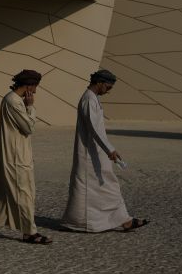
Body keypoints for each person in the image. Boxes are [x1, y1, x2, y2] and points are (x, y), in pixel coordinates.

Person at [61, 69, 150, 233]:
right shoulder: (88, 99)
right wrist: (110, 149)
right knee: (96, 186)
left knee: (106, 185)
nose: (108, 91)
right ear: (100, 83)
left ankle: (123, 219)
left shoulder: (93, 98)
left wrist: (108, 149)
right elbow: (94, 128)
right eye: (108, 87)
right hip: (90, 153)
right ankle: (83, 222)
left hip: (97, 151)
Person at [0, 69, 50, 244]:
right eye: (35, 87)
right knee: (23, 194)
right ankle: (29, 232)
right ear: (29, 86)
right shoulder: (13, 101)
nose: (35, 91)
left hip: (17, 153)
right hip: (16, 155)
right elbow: (28, 127)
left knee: (2, 190)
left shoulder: (14, 100)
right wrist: (31, 106)